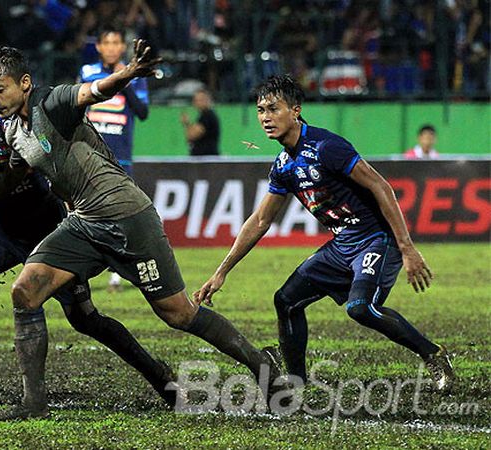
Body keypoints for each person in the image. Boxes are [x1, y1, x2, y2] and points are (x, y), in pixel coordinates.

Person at [0, 41, 283, 421]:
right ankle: (33, 402)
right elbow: (18, 169)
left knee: (178, 314)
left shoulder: (51, 103)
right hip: (84, 223)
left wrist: (127, 73)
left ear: (24, 83)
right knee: (25, 291)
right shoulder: (12, 129)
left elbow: (93, 91)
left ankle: (261, 365)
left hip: (128, 217)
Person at [0, 41, 175, 402]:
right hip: (4, 226)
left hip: (47, 225)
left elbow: (44, 157)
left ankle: (156, 373)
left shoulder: (13, 114)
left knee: (85, 319)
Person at [194, 75, 454, 392]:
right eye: (261, 109)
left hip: (375, 238)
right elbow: (261, 220)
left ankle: (434, 354)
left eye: (273, 109)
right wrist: (222, 272)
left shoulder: (326, 146)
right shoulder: (283, 165)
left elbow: (380, 185)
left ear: (295, 110)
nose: (265, 117)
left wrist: (407, 248)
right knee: (286, 301)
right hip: (341, 244)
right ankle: (296, 384)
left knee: (361, 308)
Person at [79, 27, 150, 293]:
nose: (111, 47)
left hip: (120, 156)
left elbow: (142, 112)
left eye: (116, 42)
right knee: (84, 212)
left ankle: (116, 274)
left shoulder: (136, 76)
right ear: (98, 47)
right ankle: (80, 269)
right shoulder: (87, 73)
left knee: (120, 215)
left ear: (122, 47)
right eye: (106, 42)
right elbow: (78, 107)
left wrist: (126, 77)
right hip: (89, 152)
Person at [180, 89, 220, 156]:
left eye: (201, 100)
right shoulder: (202, 116)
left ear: (207, 100)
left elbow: (193, 135)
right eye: (195, 100)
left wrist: (187, 124)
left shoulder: (208, 116)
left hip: (206, 159)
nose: (196, 102)